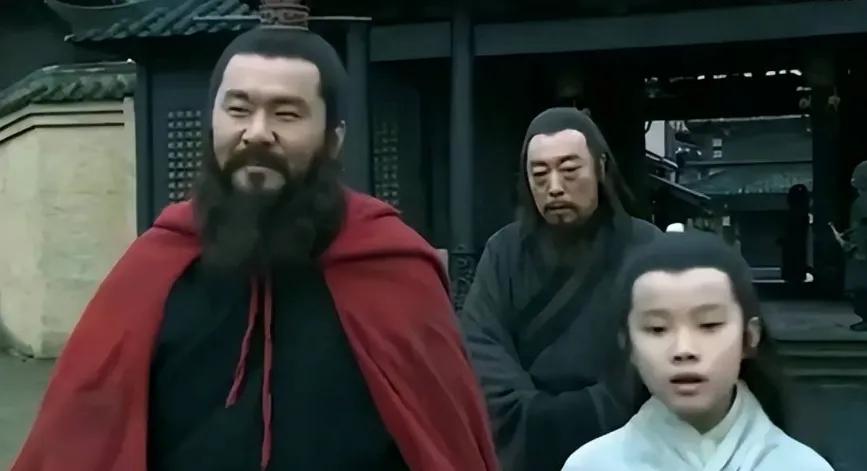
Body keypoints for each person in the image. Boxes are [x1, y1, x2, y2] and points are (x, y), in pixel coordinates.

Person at [11, 27, 497, 471]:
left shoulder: (391, 267)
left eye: (287, 113)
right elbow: (77, 440)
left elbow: (445, 443)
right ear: (212, 124)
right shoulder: (155, 265)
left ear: (333, 140)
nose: (258, 132)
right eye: (239, 109)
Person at [460, 107, 660, 471]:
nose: (554, 187)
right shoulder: (504, 250)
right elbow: (481, 343)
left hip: (625, 440)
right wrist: (533, 412)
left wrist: (596, 408)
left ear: (600, 168)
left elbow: (660, 345)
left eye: (569, 170)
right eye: (540, 175)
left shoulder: (646, 247)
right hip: (524, 438)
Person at [561, 231, 834, 471]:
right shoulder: (591, 465)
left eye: (709, 325)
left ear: (749, 337)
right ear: (627, 344)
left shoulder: (803, 466)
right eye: (657, 328)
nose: (684, 349)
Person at [831, 161, 867, 331]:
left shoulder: (861, 202)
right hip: (860, 248)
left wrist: (851, 244)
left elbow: (860, 227)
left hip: (861, 252)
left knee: (861, 288)